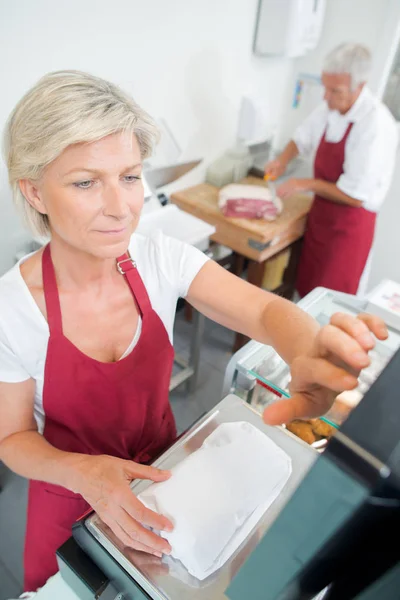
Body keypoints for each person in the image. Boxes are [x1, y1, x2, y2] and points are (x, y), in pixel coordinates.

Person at [0, 71, 388, 592]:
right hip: (72, 492)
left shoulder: (160, 259)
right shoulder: (13, 309)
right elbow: (13, 438)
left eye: (131, 176)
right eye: (86, 182)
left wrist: (304, 343)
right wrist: (85, 474)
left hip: (168, 471)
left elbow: (266, 313)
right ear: (35, 191)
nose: (120, 207)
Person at [265, 43, 398, 297]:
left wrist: (304, 184)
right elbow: (302, 137)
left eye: (334, 90)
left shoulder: (376, 125)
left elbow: (354, 195)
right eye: (325, 87)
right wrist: (282, 160)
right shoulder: (331, 106)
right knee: (307, 292)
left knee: (333, 303)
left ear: (359, 87)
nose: (325, 97)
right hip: (321, 220)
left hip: (349, 229)